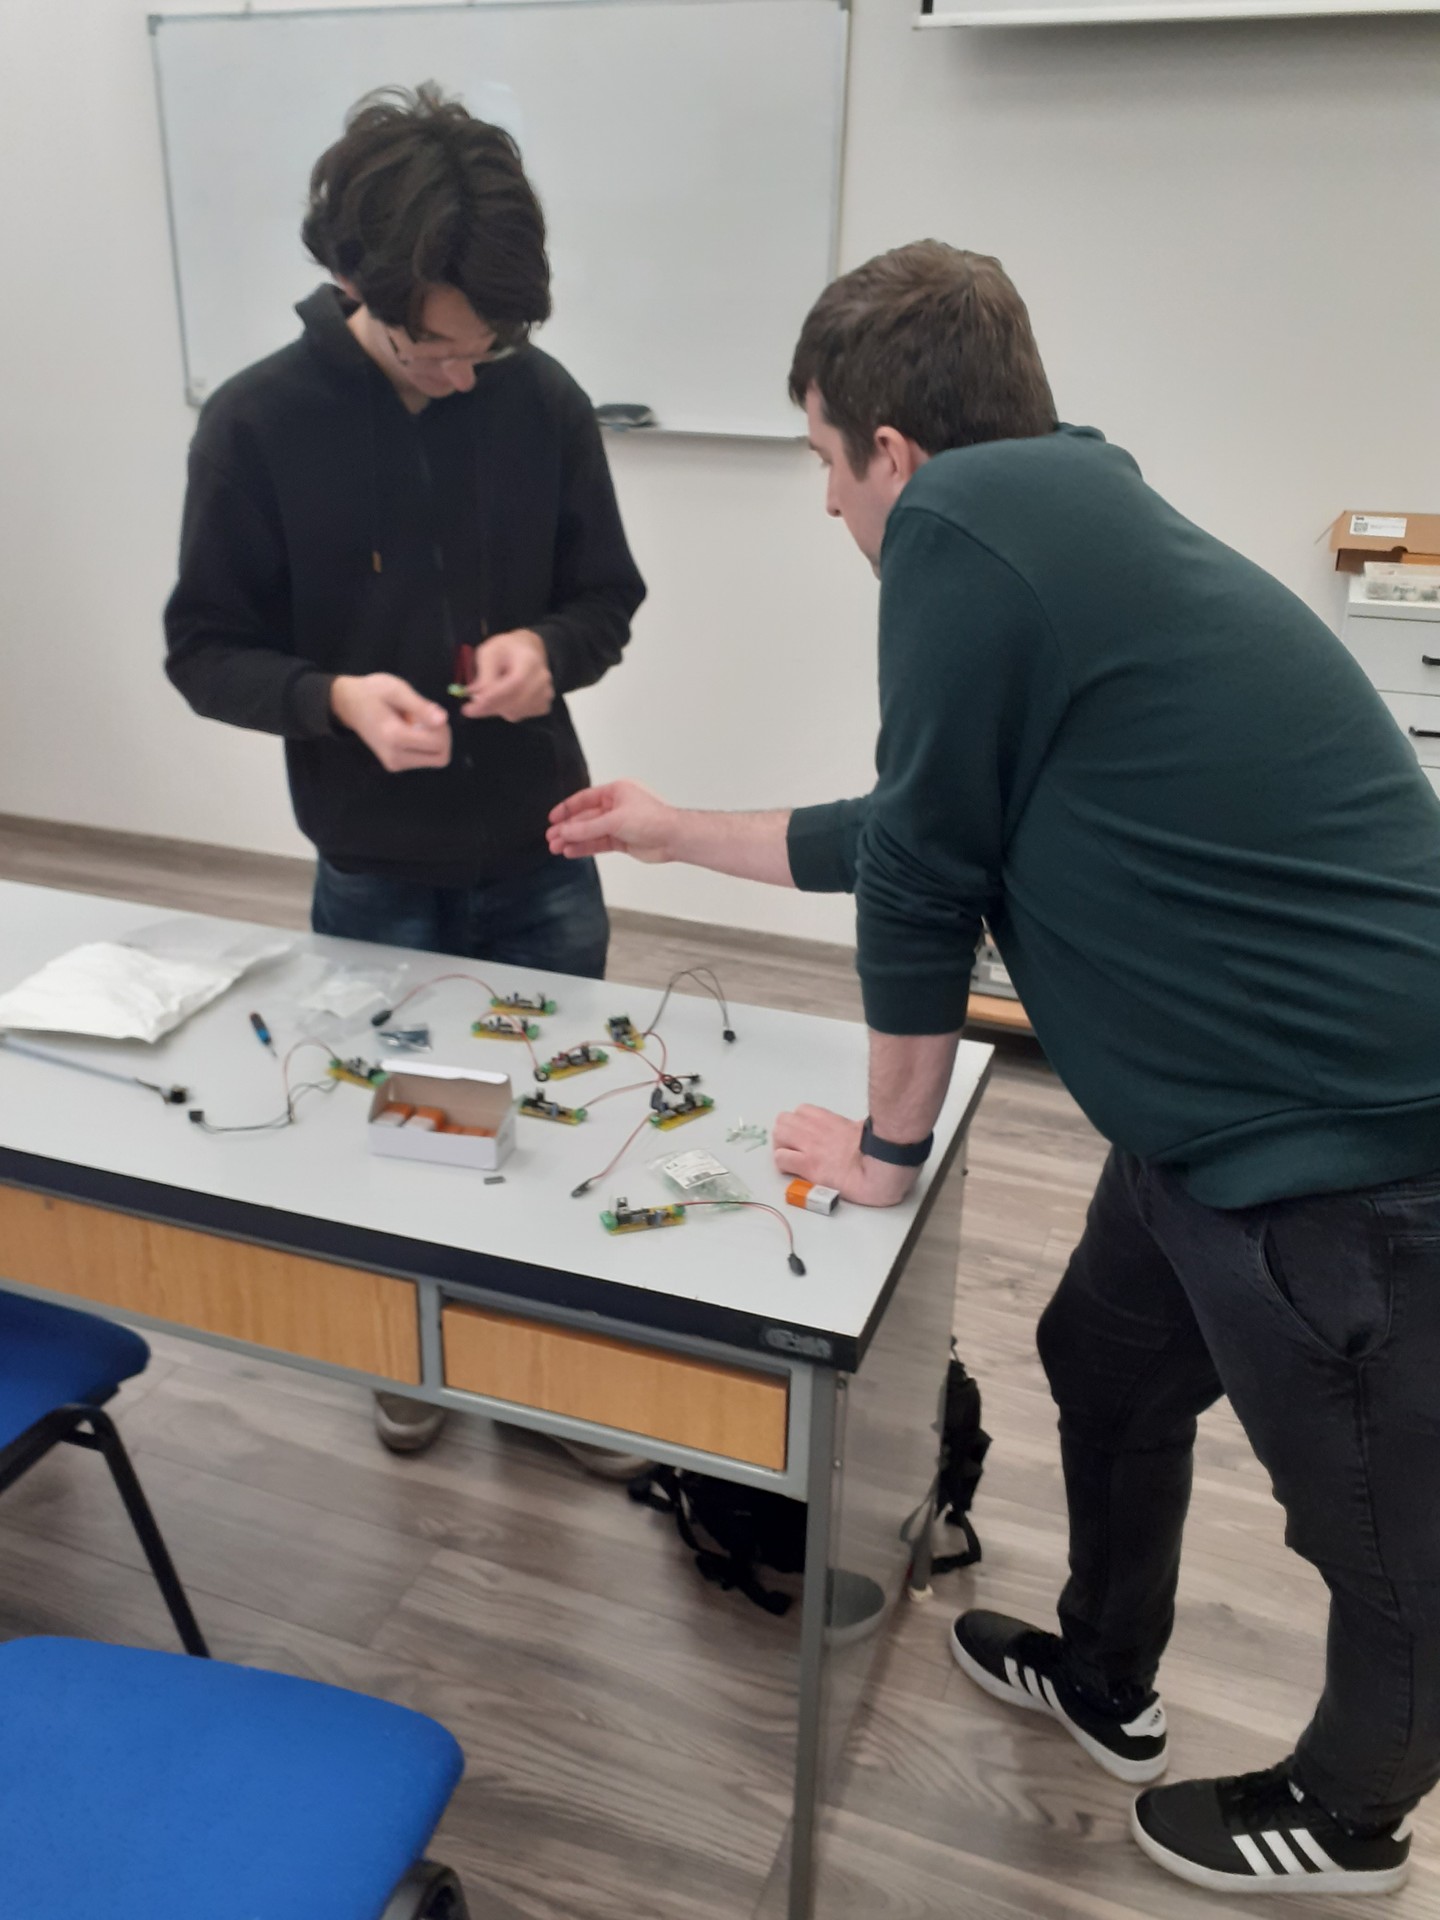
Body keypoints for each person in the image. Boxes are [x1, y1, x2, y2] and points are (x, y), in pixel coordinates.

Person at [547, 241, 1440, 1895]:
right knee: (1103, 1363)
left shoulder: (958, 529)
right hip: (1195, 1123)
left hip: (1344, 1141)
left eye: (824, 457)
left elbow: (918, 881)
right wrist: (674, 832)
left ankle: (1350, 1812)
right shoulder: (1063, 518)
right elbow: (918, 822)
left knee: (1382, 1530)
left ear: (894, 450)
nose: (827, 499)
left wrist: (884, 1153)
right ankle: (1104, 1675)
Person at [165, 85, 648, 1473]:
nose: (465, 373)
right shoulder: (258, 424)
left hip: (542, 845)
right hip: (375, 865)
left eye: (489, 346)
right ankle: (416, 1352)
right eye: (435, 347)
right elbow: (206, 652)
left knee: (551, 1114)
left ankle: (546, 1372)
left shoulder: (538, 398)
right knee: (412, 1126)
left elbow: (605, 599)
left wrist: (549, 654)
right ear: (351, 285)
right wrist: (330, 701)